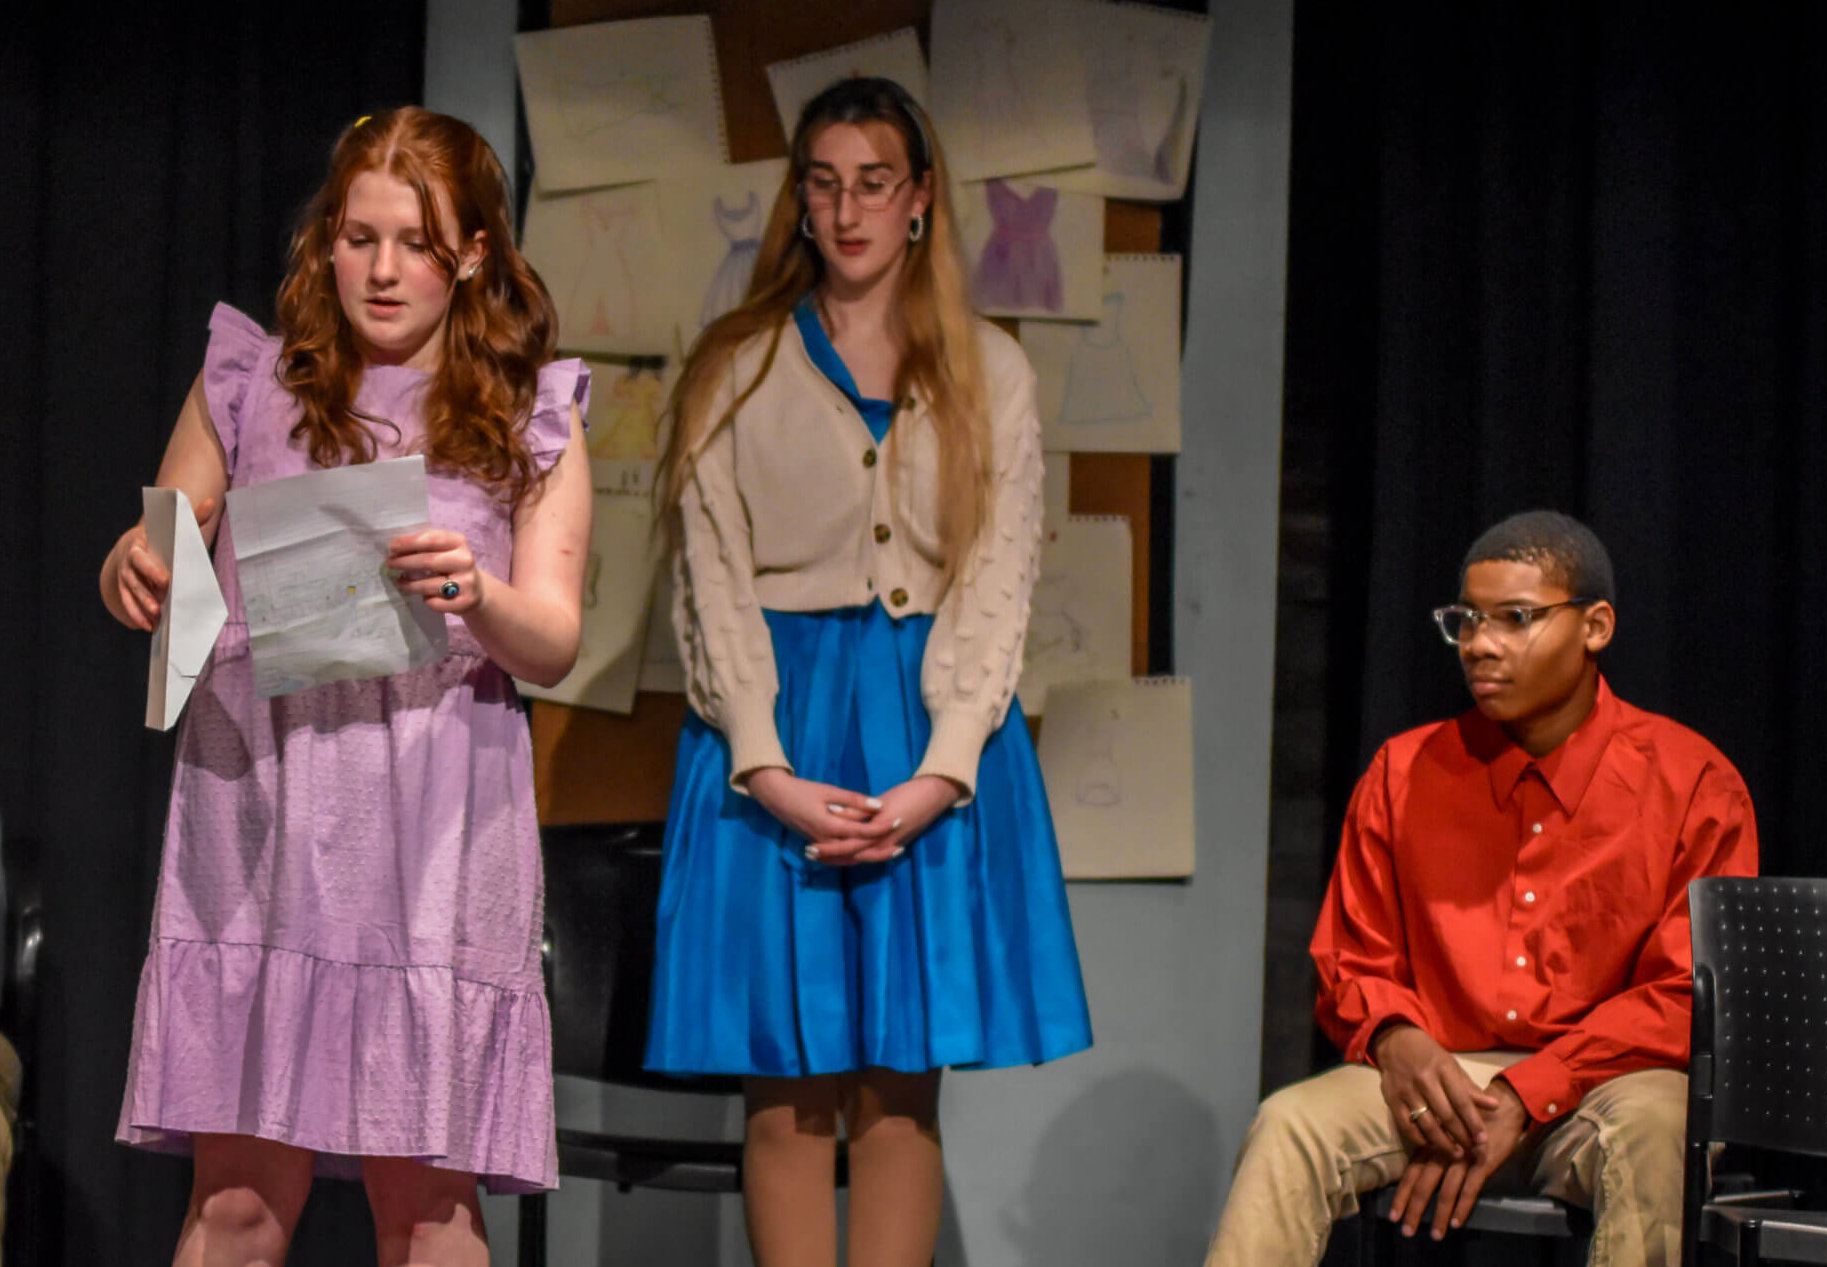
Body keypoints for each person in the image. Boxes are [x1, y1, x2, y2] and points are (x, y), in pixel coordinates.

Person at [98, 107, 590, 1267]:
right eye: (357, 238)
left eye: (414, 243)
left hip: (431, 824)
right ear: (326, 242)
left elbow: (554, 639)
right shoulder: (250, 379)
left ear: (471, 253)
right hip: (262, 809)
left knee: (425, 1205)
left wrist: (476, 590)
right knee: (236, 1198)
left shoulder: (528, 409)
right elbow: (165, 543)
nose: (380, 269)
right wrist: (134, 567)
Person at [645, 77, 1092, 1267]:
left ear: (919, 197)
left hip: (924, 729)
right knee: (786, 1092)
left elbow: (998, 581)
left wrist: (942, 771)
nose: (847, 211)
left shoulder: (990, 372)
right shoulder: (735, 365)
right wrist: (763, 764)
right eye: (825, 183)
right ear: (799, 200)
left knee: (899, 1089)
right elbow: (709, 581)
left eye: (874, 183)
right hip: (777, 733)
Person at [1204, 510, 1758, 1267]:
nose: (1480, 644)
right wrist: (1396, 1040)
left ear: (1595, 626)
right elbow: (1353, 959)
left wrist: (1530, 1090)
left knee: (1660, 1129)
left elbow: (1684, 995)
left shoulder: (1692, 783)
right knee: (1290, 1125)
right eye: (1467, 620)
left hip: (1609, 1083)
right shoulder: (1404, 772)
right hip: (1444, 1082)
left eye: (1516, 619)